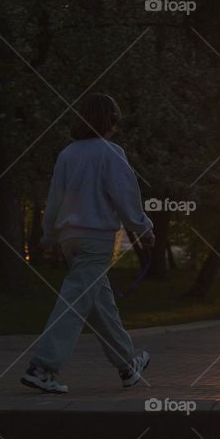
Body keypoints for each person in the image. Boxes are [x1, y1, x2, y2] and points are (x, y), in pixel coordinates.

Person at [21, 93, 154, 394]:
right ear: (112, 120)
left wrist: (49, 235)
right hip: (96, 238)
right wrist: (144, 229)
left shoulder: (68, 154)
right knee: (74, 303)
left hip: (70, 239)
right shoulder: (111, 152)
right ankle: (43, 368)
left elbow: (54, 199)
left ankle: (127, 365)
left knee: (101, 304)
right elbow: (126, 197)